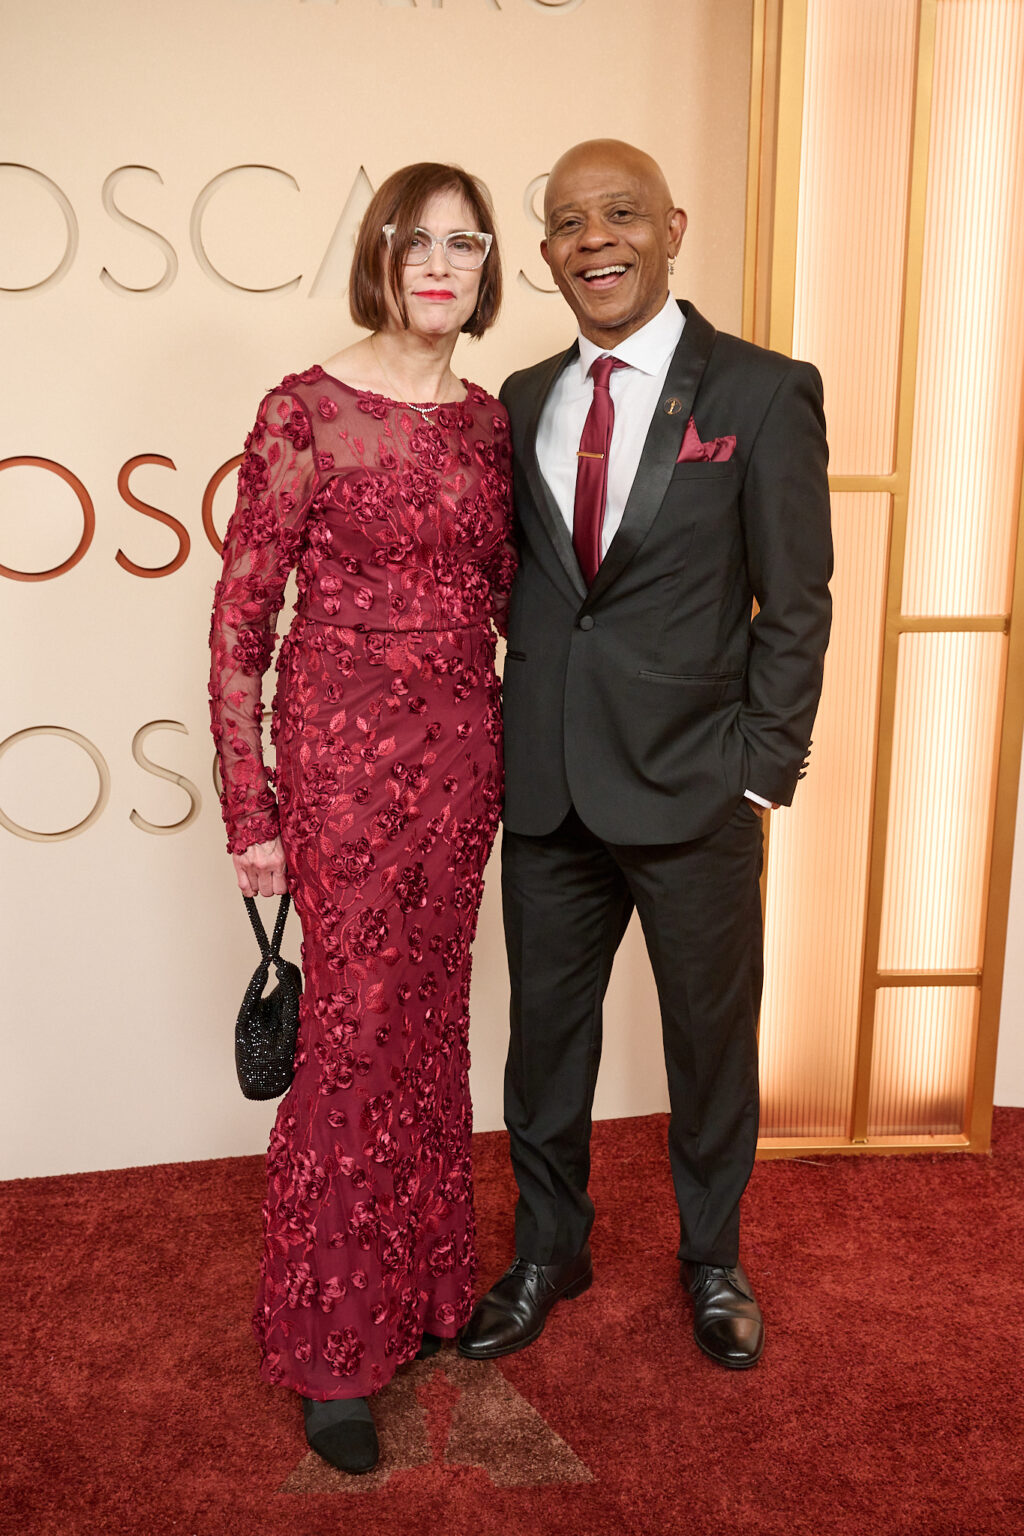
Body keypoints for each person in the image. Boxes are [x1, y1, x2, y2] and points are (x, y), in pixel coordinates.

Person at [458, 139, 832, 1373]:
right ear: (547, 253)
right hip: (549, 787)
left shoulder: (762, 392)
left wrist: (760, 768)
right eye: (569, 224)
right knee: (543, 1045)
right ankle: (548, 1251)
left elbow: (797, 601)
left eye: (619, 214)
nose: (594, 240)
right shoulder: (519, 399)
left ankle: (712, 1256)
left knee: (709, 1045)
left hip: (694, 786)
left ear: (669, 228)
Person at [208, 162, 515, 1474]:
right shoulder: (306, 412)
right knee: (354, 1035)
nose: (440, 264)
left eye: (466, 244)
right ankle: (331, 1345)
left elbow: (518, 602)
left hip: (462, 762)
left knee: (431, 1025)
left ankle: (429, 1294)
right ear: (379, 259)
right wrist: (252, 807)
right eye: (416, 241)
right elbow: (240, 626)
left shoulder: (491, 426)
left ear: (485, 269)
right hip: (341, 762)